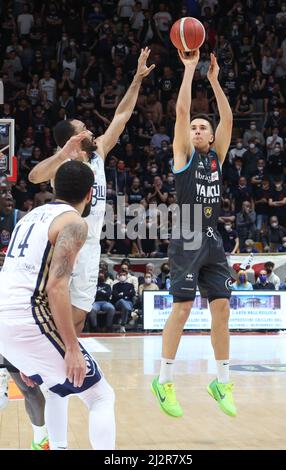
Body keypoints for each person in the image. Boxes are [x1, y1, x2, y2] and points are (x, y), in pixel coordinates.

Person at [12, 47, 154, 449]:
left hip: (88, 255)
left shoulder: (100, 152)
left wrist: (137, 79)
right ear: (72, 137)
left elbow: (123, 115)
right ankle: (46, 390)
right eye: (82, 127)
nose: (90, 129)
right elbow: (37, 175)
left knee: (67, 337)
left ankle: (51, 401)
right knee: (59, 342)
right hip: (64, 251)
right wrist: (63, 151)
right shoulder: (67, 163)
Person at [0, 161, 115, 450]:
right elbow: (56, 286)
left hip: (7, 322)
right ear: (90, 194)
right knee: (101, 396)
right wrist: (72, 348)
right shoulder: (75, 223)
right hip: (27, 319)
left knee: (55, 388)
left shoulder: (28, 217)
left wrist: (27, 354)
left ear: (53, 187)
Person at [151, 50, 236, 418]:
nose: (198, 130)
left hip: (213, 239)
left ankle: (222, 380)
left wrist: (215, 80)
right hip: (187, 236)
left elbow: (229, 117)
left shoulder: (217, 155)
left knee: (222, 310)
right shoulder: (183, 153)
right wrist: (189, 71)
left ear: (212, 135)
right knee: (183, 309)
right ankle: (164, 380)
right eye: (195, 127)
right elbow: (182, 114)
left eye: (205, 127)